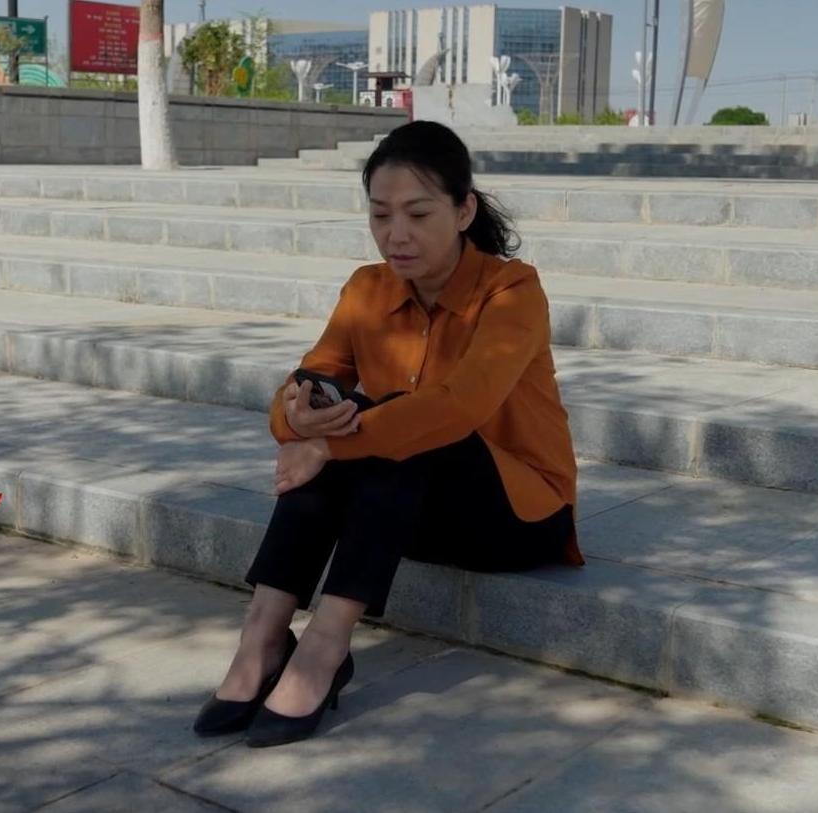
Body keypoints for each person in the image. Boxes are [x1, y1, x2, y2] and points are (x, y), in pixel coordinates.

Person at [192, 120, 585, 748]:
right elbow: (311, 374)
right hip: (407, 510)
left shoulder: (513, 291)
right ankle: (262, 637)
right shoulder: (367, 288)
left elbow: (460, 407)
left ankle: (324, 647)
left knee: (404, 420)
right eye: (380, 215)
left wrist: (327, 444)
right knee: (344, 408)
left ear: (463, 211)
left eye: (418, 214)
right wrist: (299, 419)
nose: (396, 234)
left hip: (515, 516)